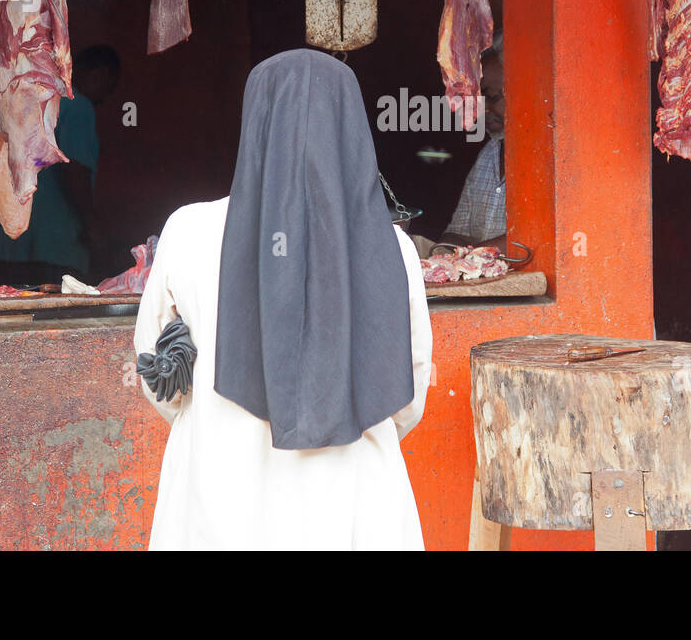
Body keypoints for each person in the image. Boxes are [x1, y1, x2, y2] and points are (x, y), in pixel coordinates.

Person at [133, 49, 433, 550]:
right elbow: (410, 387)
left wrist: (215, 414)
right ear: (350, 127)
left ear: (255, 122)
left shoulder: (187, 231)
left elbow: (158, 374)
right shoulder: (393, 249)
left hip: (218, 497)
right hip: (356, 501)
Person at [0, 44, 120, 284]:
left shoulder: (36, 102)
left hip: (15, 243)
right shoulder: (79, 107)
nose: (105, 99)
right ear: (98, 74)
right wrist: (92, 228)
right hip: (56, 247)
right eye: (109, 87)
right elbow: (74, 171)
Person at [442, 46, 505, 247]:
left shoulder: (553, 159)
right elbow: (455, 234)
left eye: (493, 97)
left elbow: (538, 242)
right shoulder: (488, 155)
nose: (483, 109)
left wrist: (471, 256)